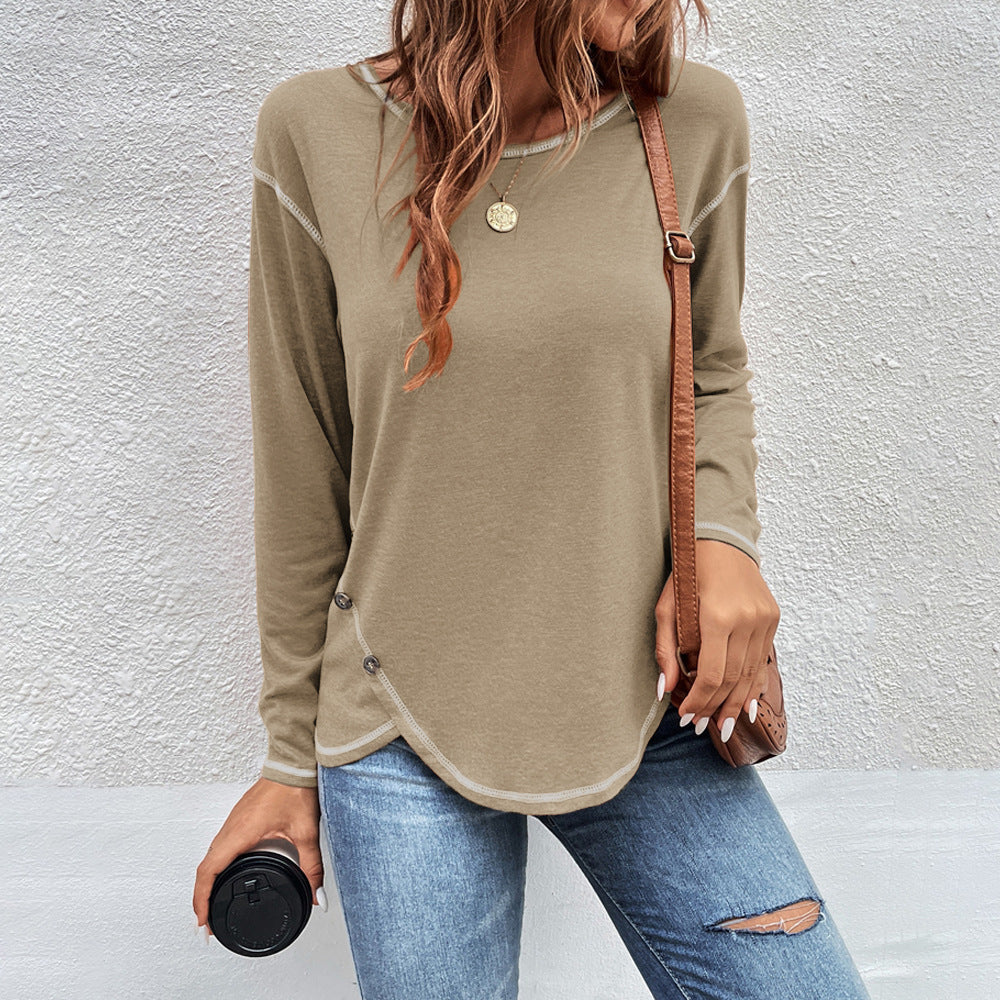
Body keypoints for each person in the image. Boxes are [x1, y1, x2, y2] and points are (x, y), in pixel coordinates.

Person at [194, 1, 872, 996]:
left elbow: (712, 369)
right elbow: (303, 463)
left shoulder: (692, 121)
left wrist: (723, 540)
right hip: (397, 710)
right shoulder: (313, 131)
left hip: (647, 702)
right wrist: (291, 762)